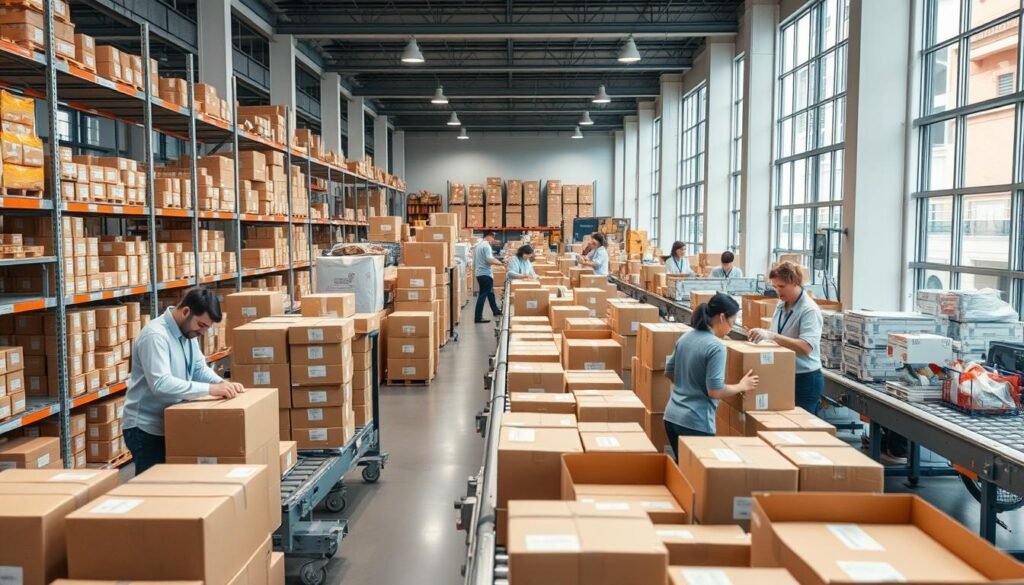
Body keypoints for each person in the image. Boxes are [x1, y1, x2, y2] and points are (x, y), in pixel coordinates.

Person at [122, 287, 245, 474]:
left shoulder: (187, 332)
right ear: (186, 312)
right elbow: (161, 384)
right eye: (201, 325)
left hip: (170, 422)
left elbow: (198, 368)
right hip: (146, 429)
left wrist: (221, 383)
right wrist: (211, 390)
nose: (203, 332)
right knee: (154, 491)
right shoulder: (155, 336)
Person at [664, 293, 759, 461]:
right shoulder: (716, 347)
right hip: (695, 422)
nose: (731, 328)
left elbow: (669, 371)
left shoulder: (686, 337)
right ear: (722, 317)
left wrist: (687, 387)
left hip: (672, 417)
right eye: (732, 322)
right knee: (698, 480)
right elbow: (715, 391)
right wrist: (742, 386)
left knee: (683, 476)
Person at [748, 262, 824, 414]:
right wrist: (762, 338)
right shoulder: (781, 305)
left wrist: (772, 336)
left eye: (781, 287)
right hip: (785, 374)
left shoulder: (809, 310)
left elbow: (806, 347)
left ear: (795, 282)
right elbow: (776, 334)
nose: (777, 291)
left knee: (800, 425)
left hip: (805, 378)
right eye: (775, 287)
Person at [474, 230, 504, 323]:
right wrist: (501, 263)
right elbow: (489, 260)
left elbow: (481, 259)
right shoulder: (486, 246)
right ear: (488, 236)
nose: (493, 239)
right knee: (482, 295)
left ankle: (495, 311)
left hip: (480, 273)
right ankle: (478, 317)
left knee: (490, 293)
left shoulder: (479, 245)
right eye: (493, 237)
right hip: (485, 274)